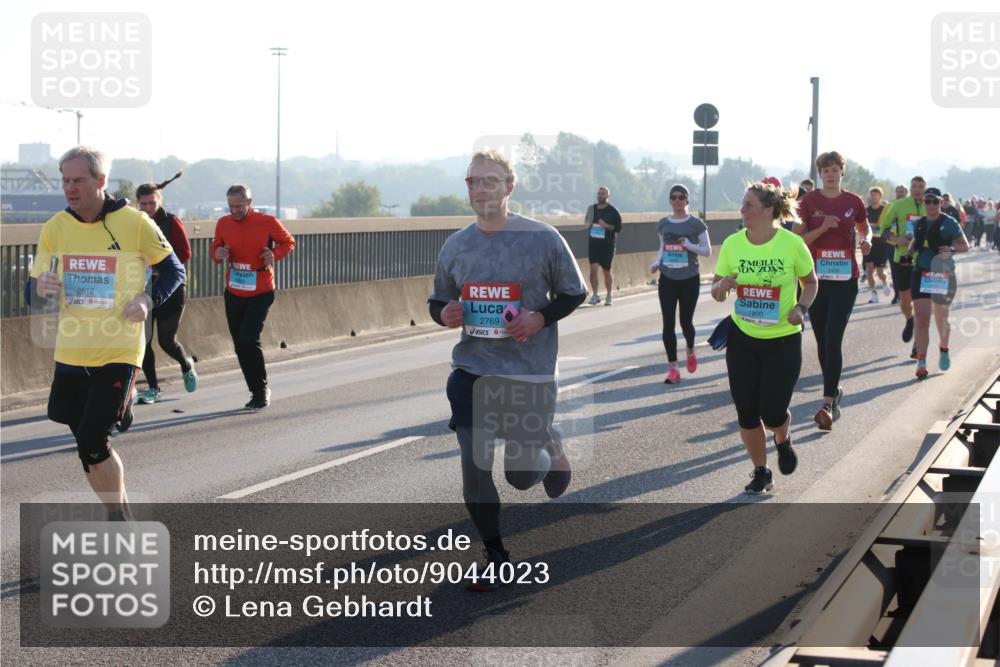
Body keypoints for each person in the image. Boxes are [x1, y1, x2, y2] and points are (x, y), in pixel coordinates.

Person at [429, 151, 586, 589]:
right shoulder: (456, 245)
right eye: (473, 182)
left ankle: (550, 447)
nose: (480, 190)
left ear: (509, 187)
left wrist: (539, 318)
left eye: (490, 182)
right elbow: (438, 301)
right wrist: (446, 314)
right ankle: (496, 555)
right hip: (471, 371)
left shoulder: (542, 238)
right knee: (474, 464)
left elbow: (575, 292)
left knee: (520, 476)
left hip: (528, 373)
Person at [26, 146, 184, 520]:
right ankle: (119, 506)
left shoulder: (135, 223)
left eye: (78, 180)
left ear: (100, 181)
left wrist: (147, 298)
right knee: (82, 438)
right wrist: (40, 288)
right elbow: (32, 295)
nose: (70, 187)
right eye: (65, 180)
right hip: (71, 351)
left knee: (93, 438)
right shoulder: (55, 228)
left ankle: (119, 518)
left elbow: (174, 271)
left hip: (119, 350)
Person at [712, 182, 818, 494]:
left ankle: (782, 438)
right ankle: (761, 471)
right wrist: (721, 287)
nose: (742, 211)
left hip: (783, 339)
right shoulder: (733, 244)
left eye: (748, 205)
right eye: (742, 205)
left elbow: (810, 282)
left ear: (767, 210)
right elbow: (717, 293)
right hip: (743, 337)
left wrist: (801, 307)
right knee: (745, 410)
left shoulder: (791, 244)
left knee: (772, 413)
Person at [795, 152, 870, 431]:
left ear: (842, 173)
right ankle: (835, 392)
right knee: (821, 341)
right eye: (825, 170)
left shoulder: (854, 202)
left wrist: (867, 241)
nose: (830, 174)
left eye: (834, 169)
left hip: (845, 279)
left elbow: (865, 228)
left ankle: (827, 403)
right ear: (819, 173)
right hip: (814, 281)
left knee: (833, 339)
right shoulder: (807, 202)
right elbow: (797, 241)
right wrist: (823, 227)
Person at [210, 184, 296, 410]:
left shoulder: (267, 222)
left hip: (260, 290)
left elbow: (289, 242)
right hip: (234, 290)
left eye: (239, 206)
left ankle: (261, 390)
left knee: (249, 340)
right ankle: (254, 389)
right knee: (240, 345)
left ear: (250, 202)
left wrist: (274, 254)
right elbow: (216, 248)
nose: (234, 211)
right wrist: (218, 254)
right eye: (231, 206)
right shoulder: (223, 223)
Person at [135, 173, 197, 404]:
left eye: (152, 203)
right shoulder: (135, 224)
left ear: (159, 200)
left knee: (166, 341)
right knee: (144, 340)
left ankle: (186, 364)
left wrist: (160, 264)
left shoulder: (171, 222)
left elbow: (185, 254)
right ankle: (153, 388)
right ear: (137, 203)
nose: (148, 207)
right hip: (144, 287)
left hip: (171, 288)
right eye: (143, 204)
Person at [905, 187, 969, 379]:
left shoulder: (949, 223)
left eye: (935, 201)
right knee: (922, 319)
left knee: (941, 319)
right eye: (928, 201)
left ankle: (944, 347)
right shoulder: (920, 223)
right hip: (921, 273)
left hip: (942, 274)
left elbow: (964, 245)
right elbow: (916, 241)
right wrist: (909, 252)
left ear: (941, 202)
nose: (931, 205)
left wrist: (951, 249)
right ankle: (921, 362)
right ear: (923, 203)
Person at [649, 184, 710, 384]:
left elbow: (707, 250)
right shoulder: (663, 224)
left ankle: (690, 350)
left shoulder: (696, 224)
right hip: (667, 278)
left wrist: (689, 245)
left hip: (689, 278)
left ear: (687, 200)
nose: (677, 201)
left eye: (681, 197)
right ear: (669, 200)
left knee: (686, 322)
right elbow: (662, 247)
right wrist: (657, 262)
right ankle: (673, 368)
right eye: (673, 197)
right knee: (668, 323)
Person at [878, 176, 927, 358]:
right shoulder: (898, 206)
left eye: (921, 186)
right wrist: (896, 239)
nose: (917, 189)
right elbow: (883, 230)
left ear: (925, 188)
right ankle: (909, 319)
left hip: (923, 261)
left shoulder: (930, 206)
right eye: (914, 186)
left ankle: (917, 345)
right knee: (906, 302)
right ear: (910, 188)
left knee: (921, 304)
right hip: (902, 258)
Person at [584, 186, 623, 306]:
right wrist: (588, 223)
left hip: (607, 245)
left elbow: (618, 228)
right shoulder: (591, 209)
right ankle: (595, 295)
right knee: (593, 270)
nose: (600, 195)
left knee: (606, 271)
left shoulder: (613, 211)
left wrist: (606, 225)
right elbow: (585, 224)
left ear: (608, 196)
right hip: (594, 244)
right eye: (599, 194)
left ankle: (609, 295)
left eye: (603, 194)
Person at [864, 186, 892, 303]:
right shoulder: (866, 210)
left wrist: (878, 227)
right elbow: (862, 225)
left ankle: (885, 282)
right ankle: (874, 294)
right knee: (869, 271)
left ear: (880, 196)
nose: (874, 197)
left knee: (880, 273)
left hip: (882, 244)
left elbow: (890, 224)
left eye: (876, 195)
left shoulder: (885, 210)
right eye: (872, 195)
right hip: (870, 244)